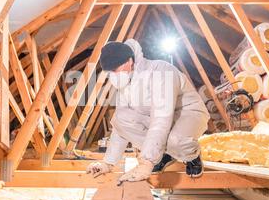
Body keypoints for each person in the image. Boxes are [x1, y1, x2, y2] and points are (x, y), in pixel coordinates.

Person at [86, 39, 210, 182]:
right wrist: (108, 163)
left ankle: (192, 156)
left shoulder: (160, 71)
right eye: (110, 72)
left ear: (129, 61)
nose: (113, 75)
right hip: (156, 119)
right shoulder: (126, 83)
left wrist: (147, 162)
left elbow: (161, 119)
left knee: (176, 141)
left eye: (115, 70)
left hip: (188, 113)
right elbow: (121, 127)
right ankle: (165, 155)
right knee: (121, 118)